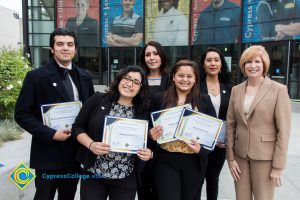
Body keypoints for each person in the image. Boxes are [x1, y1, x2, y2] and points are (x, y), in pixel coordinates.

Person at [14, 28, 95, 200]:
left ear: (75, 48)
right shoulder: (35, 77)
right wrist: (51, 134)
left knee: (68, 196)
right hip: (47, 154)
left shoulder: (85, 77)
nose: (65, 48)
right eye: (60, 44)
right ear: (52, 49)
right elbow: (22, 114)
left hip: (74, 153)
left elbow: (90, 113)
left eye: (70, 44)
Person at [72, 66, 152, 200]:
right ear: (120, 79)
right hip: (94, 174)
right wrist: (91, 145)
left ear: (140, 88)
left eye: (136, 82)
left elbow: (148, 141)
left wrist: (148, 153)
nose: (129, 84)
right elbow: (77, 128)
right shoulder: (98, 99)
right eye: (126, 78)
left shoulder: (143, 111)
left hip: (125, 176)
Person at [226, 45, 291, 200]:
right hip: (240, 156)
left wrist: (278, 166)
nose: (253, 65)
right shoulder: (236, 90)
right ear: (243, 65)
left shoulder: (278, 90)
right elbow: (230, 125)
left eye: (257, 61)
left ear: (264, 65)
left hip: (265, 157)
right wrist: (231, 158)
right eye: (248, 62)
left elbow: (284, 130)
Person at [150, 59, 215, 200]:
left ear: (195, 79)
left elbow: (213, 134)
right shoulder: (159, 98)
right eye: (180, 75)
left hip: (193, 161)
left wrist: (202, 150)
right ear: (173, 77)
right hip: (165, 160)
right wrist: (151, 134)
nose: (185, 79)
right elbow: (148, 126)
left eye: (189, 76)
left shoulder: (204, 100)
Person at [197, 47, 232, 200]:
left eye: (216, 60)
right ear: (203, 64)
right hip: (199, 143)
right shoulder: (196, 86)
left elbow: (233, 117)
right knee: (196, 180)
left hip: (220, 146)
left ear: (221, 64)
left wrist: (227, 139)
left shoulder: (230, 88)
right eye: (209, 60)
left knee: (213, 179)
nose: (213, 63)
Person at [138, 41, 169, 200]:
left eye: (155, 53)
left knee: (162, 187)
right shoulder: (138, 79)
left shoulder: (171, 80)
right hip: (142, 139)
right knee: (143, 185)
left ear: (162, 56)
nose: (152, 58)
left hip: (165, 140)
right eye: (148, 54)